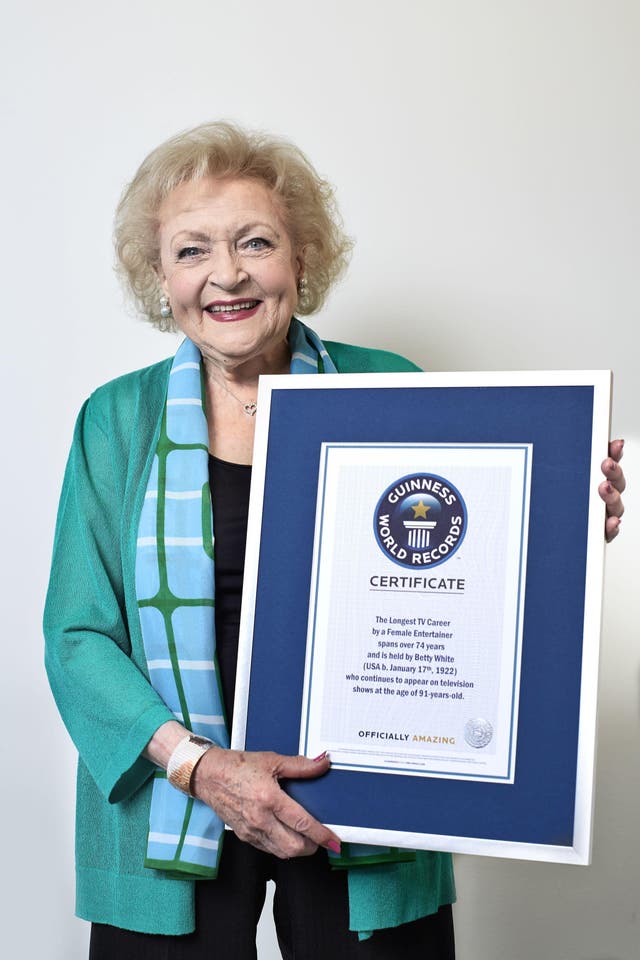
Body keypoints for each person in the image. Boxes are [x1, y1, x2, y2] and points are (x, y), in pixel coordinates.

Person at [44, 121, 625, 960]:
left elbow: (466, 567)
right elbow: (76, 637)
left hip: (370, 789)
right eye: (192, 250)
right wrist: (203, 767)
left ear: (302, 259)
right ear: (160, 277)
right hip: (176, 794)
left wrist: (566, 528)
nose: (228, 273)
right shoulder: (115, 420)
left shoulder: (392, 388)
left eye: (256, 242)